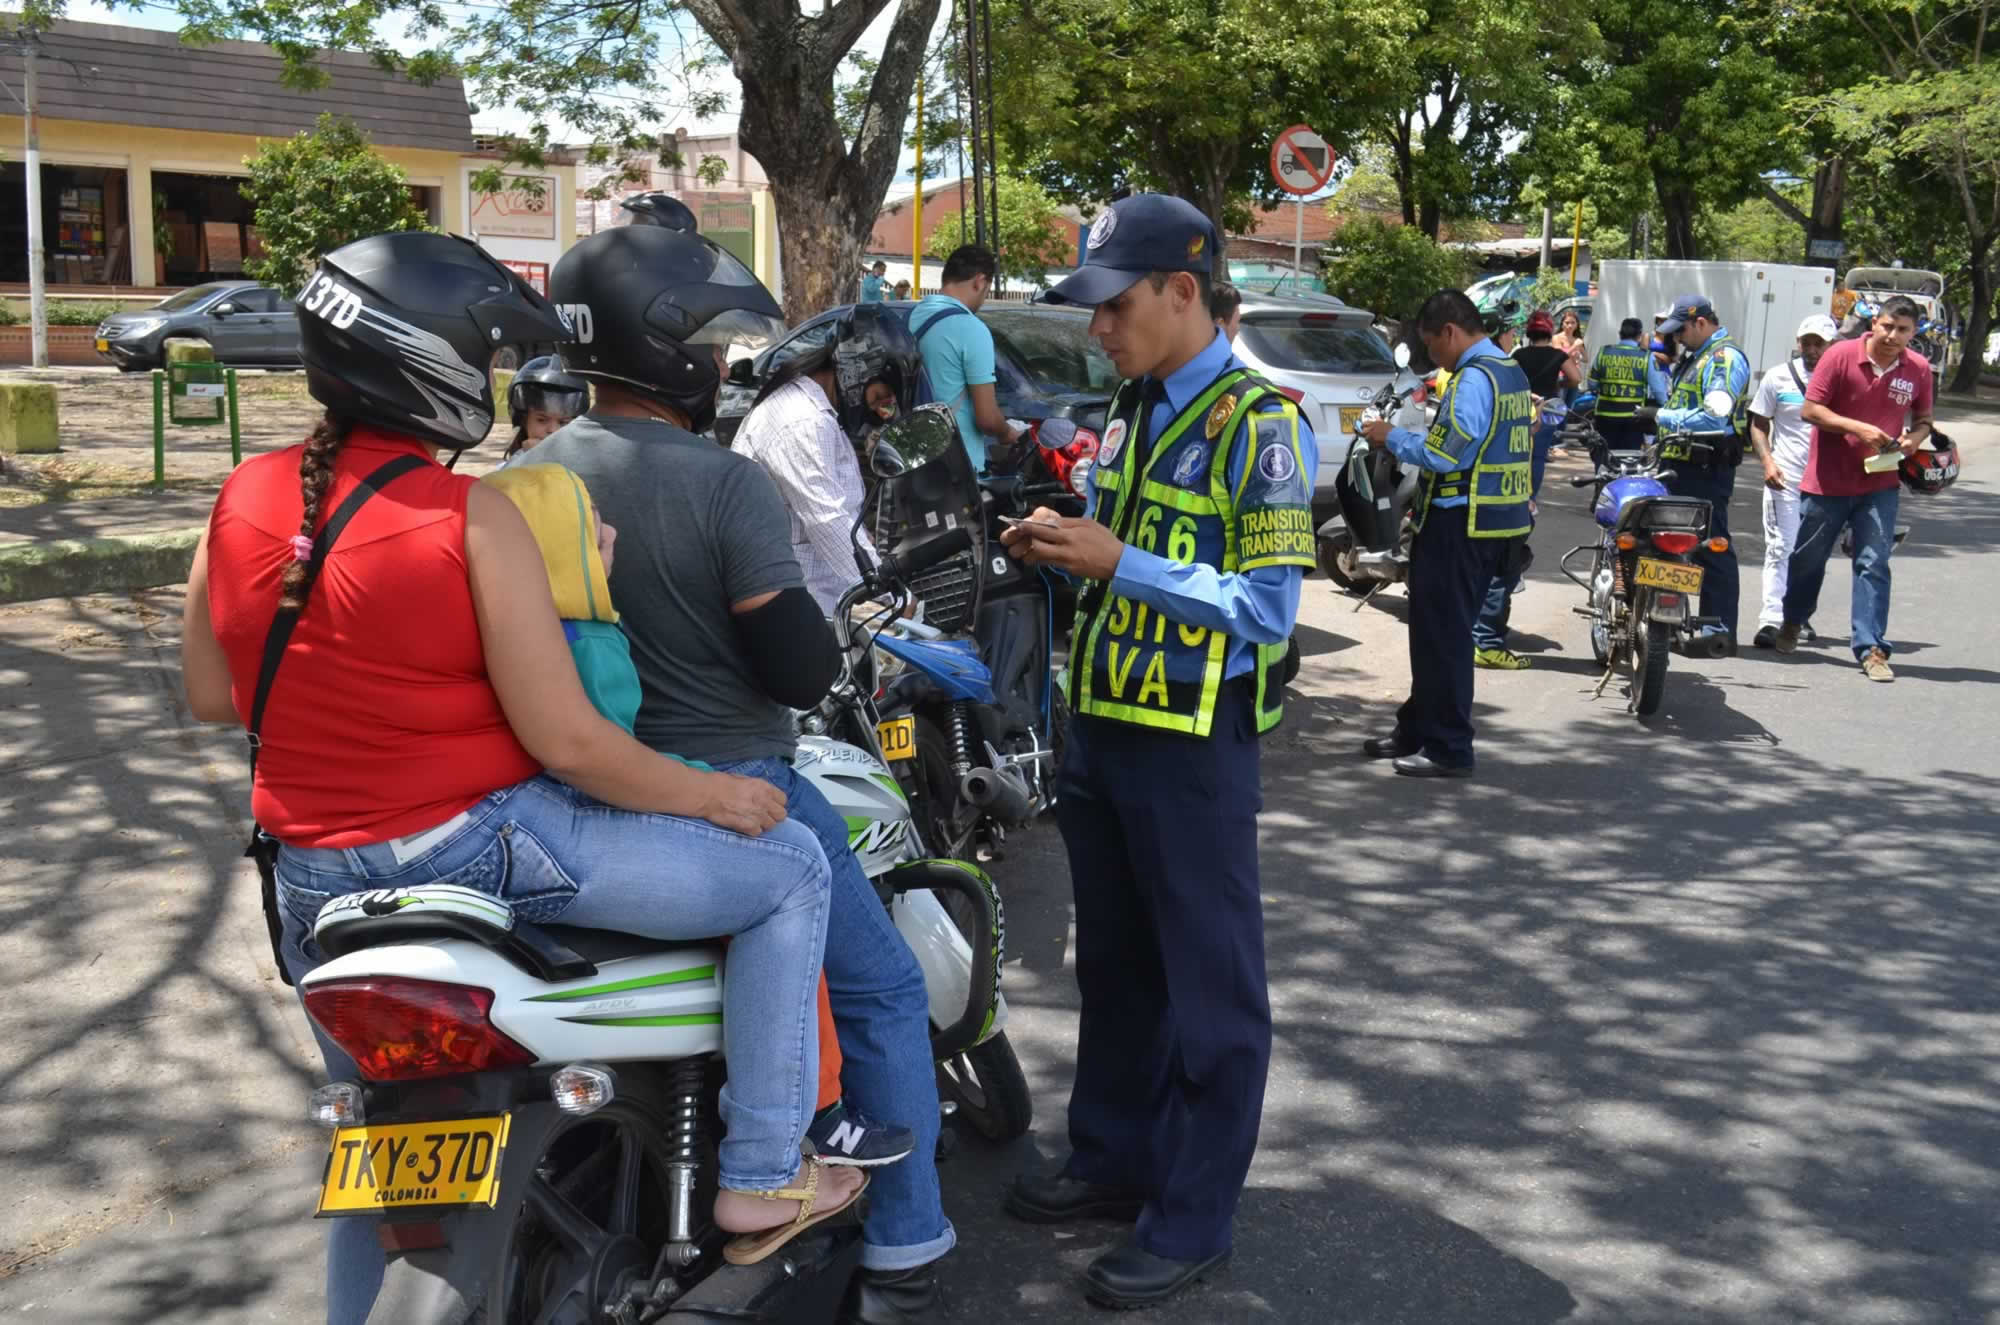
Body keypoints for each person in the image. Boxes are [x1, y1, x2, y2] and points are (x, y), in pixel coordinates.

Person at [179, 232, 856, 1323]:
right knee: (785, 868)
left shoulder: (242, 496)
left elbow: (214, 693)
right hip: (480, 847)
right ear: (432, 365)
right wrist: (714, 795)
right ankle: (765, 1168)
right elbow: (571, 743)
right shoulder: (469, 517)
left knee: (382, 1138)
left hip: (308, 883)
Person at [533, 224, 953, 1324]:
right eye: (707, 341)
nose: (720, 361)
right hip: (741, 784)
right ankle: (907, 1240)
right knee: (882, 987)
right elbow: (799, 662)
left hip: (574, 798)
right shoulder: (724, 483)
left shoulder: (518, 480)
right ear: (670, 347)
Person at [995, 192, 1316, 1310]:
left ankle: (1190, 1214)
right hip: (1106, 727)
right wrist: (1054, 539)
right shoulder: (1132, 406)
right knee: (1116, 966)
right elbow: (1117, 538)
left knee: (1210, 988)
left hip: (1190, 744)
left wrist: (1117, 560)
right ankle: (1111, 1157)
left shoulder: (1257, 425)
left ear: (1183, 291)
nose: (1099, 330)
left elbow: (1268, 609)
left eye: (1115, 306)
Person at [1360, 289, 1532, 775]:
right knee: (1436, 636)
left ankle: (1449, 748)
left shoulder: (1475, 379)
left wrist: (1389, 436)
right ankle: (1416, 728)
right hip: (1496, 524)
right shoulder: (1509, 370)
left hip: (1463, 525)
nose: (1431, 357)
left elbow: (1445, 455)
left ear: (1451, 332)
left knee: (1446, 640)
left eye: (1432, 345)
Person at [1777, 294, 1936, 681]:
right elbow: (1810, 410)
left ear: (1914, 333)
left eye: (1903, 330)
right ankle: (1794, 620)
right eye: (1887, 326)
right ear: (1874, 323)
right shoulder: (1840, 355)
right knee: (1808, 559)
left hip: (1880, 483)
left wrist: (1914, 439)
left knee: (1873, 562)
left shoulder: (1918, 369)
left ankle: (1872, 650)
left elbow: (1925, 419)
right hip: (1827, 481)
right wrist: (1857, 427)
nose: (1892, 335)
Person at [1469, 309, 1578, 669]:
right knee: (1502, 568)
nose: (1513, 337)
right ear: (1498, 335)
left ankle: (1478, 636)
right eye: (1508, 331)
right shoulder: (1497, 373)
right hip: (1500, 497)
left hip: (1502, 494)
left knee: (1491, 567)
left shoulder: (1506, 367)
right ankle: (1485, 641)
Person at [733, 341, 869, 614]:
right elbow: (826, 517)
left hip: (810, 588)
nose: (877, 409)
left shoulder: (811, 407)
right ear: (855, 375)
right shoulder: (801, 420)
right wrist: (882, 586)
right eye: (878, 396)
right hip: (800, 595)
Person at [1654, 293, 1753, 653]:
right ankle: (1666, 623)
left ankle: (1718, 631)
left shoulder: (1724, 358)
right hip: (1677, 465)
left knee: (1711, 546)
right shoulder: (1697, 357)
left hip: (1705, 467)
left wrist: (1660, 417)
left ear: (1700, 323)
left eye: (1680, 330)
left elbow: (1714, 415)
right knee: (1669, 543)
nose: (1676, 338)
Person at [1746, 315, 1837, 648]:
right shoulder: (1778, 377)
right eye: (1807, 342)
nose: (1812, 349)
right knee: (1780, 548)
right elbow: (1758, 424)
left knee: (1810, 554)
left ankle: (1798, 615)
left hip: (1826, 483)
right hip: (1785, 477)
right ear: (1798, 343)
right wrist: (1768, 462)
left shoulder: (1841, 379)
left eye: (1819, 343)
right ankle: (1771, 619)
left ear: (1831, 345)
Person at [911, 244, 1018, 473]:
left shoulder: (912, 317)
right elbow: (987, 419)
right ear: (979, 281)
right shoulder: (972, 328)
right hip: (956, 468)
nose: (983, 299)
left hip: (911, 460)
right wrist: (1007, 432)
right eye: (986, 291)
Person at [501, 355, 590, 461]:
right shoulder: (511, 466)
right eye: (542, 420)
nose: (553, 430)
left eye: (563, 422)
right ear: (524, 420)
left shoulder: (585, 462)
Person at [1587, 317, 1652, 451]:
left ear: (1620, 333)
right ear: (1639, 336)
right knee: (1629, 458)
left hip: (1605, 416)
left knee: (1603, 455)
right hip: (1633, 418)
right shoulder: (1645, 357)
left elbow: (1592, 384)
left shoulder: (1604, 352)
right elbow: (1658, 389)